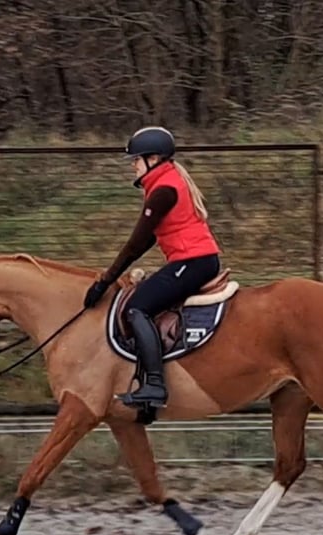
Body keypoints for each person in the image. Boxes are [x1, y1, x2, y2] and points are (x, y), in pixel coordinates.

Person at [83, 126, 222, 409]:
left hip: (193, 262)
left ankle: (155, 385)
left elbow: (136, 242)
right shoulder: (165, 183)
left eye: (136, 159)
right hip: (194, 260)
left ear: (154, 159)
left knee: (137, 307)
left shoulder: (164, 190)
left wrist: (105, 280)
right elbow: (147, 240)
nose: (133, 165)